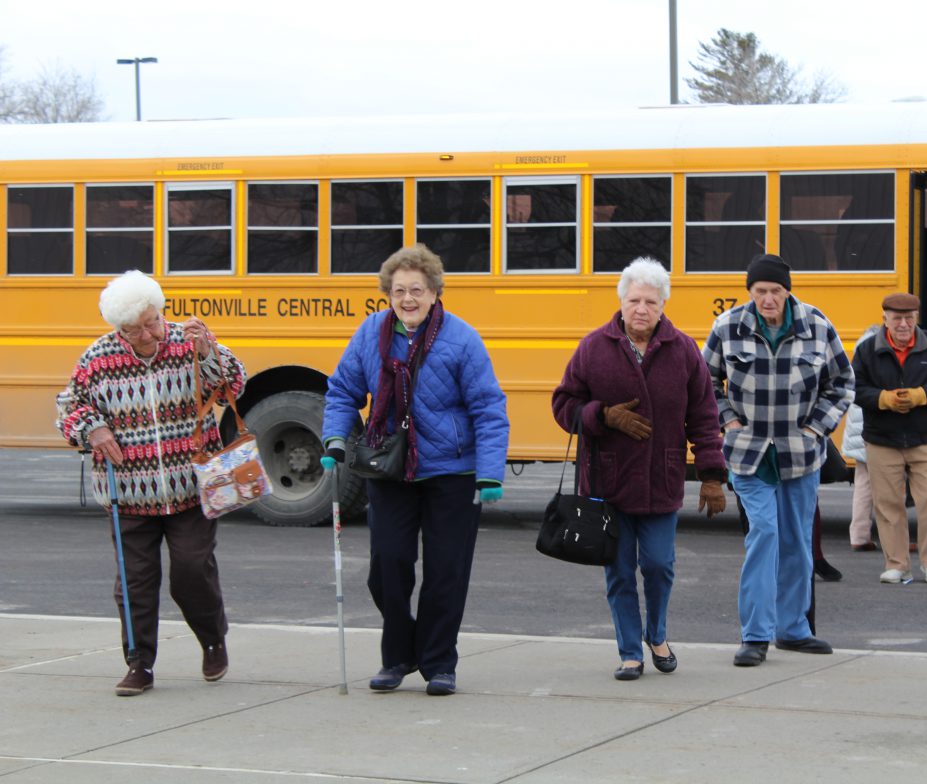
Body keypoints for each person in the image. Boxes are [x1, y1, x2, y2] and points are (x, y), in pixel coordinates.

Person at [322, 244, 509, 696]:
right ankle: (401, 652)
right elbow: (343, 390)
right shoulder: (370, 334)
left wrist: (489, 473)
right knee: (386, 567)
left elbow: (488, 408)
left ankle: (439, 662)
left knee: (446, 571)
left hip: (452, 473)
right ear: (387, 293)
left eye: (417, 290)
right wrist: (334, 439)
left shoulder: (461, 338)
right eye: (400, 290)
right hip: (389, 469)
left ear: (434, 293)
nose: (408, 298)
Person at [55, 270, 246, 696]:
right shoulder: (97, 359)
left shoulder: (187, 340)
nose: (147, 334)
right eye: (134, 329)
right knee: (134, 582)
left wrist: (208, 351)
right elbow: (67, 408)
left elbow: (233, 384)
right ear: (117, 329)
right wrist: (92, 429)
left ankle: (213, 639)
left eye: (151, 322)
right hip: (128, 492)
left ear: (161, 311)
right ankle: (139, 664)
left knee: (192, 571)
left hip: (191, 488)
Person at [551, 258, 727, 681]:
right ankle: (630, 651)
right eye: (634, 300)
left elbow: (703, 414)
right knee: (618, 571)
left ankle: (657, 634)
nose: (641, 309)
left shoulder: (683, 349)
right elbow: (563, 405)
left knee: (659, 564)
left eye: (650, 301)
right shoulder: (594, 347)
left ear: (664, 305)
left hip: (661, 478)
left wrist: (711, 474)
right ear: (621, 303)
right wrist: (603, 416)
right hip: (607, 482)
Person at [704, 254, 854, 666]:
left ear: (788, 290)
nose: (768, 299)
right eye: (760, 292)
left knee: (797, 544)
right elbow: (703, 382)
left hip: (801, 453)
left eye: (775, 291)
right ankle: (755, 634)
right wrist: (728, 420)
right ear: (749, 292)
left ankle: (794, 629)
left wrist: (816, 429)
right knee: (764, 535)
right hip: (748, 454)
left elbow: (842, 383)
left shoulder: (817, 324)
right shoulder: (727, 326)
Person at [852, 292, 927, 585]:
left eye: (908, 318)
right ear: (884, 317)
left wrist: (922, 395)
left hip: (926, 437)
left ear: (917, 318)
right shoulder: (866, 350)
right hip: (881, 439)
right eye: (897, 318)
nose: (903, 324)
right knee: (887, 504)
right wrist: (883, 399)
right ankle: (896, 564)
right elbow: (855, 388)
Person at [842, 325, 880, 552]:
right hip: (873, 427)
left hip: (858, 428)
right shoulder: (877, 349)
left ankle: (859, 534)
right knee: (889, 486)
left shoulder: (861, 350)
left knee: (863, 484)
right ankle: (892, 536)